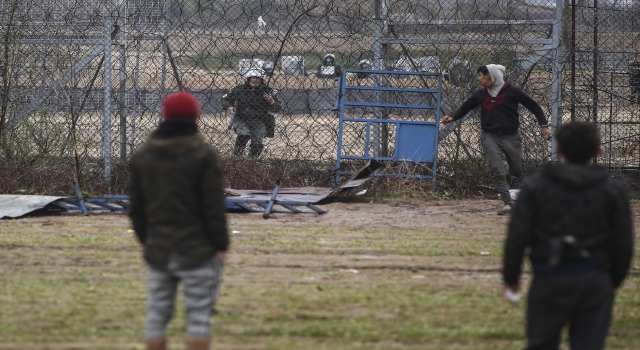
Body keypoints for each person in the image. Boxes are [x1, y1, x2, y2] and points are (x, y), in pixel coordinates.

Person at [502, 121, 634, 350]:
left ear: (558, 149)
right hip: (594, 279)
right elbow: (623, 241)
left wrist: (511, 278)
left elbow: (517, 237)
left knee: (541, 343)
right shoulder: (612, 190)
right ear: (598, 150)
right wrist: (615, 279)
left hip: (548, 277)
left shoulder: (536, 186)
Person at [129, 91, 229, 350]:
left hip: (159, 247)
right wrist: (220, 244)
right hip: (198, 249)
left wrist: (146, 240)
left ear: (164, 116)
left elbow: (136, 209)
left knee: (157, 313)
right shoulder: (203, 155)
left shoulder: (143, 157)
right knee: (198, 315)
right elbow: (213, 207)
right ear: (196, 116)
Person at [441, 64, 552, 215]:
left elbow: (534, 106)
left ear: (490, 76)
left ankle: (507, 170)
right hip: (490, 136)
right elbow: (465, 107)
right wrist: (452, 117)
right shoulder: (480, 94)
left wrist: (543, 125)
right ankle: (508, 203)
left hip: (511, 136)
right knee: (496, 170)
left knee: (517, 170)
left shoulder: (512, 91)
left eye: (481, 75)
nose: (479, 78)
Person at [221, 68, 282, 157]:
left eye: (258, 78)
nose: (255, 80)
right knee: (243, 135)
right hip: (241, 118)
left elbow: (278, 108)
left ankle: (252, 161)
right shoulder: (239, 90)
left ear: (262, 79)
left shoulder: (268, 92)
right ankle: (237, 157)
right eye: (253, 77)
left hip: (259, 120)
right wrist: (229, 107)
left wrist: (271, 101)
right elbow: (224, 100)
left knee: (257, 145)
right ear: (249, 78)